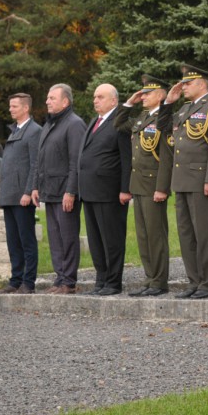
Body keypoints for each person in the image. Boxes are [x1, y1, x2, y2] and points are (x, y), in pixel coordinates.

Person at [159, 64, 208, 300]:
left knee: (203, 234)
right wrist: (168, 102)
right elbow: (162, 128)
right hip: (181, 180)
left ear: (201, 83)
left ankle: (207, 283)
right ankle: (194, 281)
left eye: (188, 83)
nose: (183, 87)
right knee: (186, 235)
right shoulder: (185, 108)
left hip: (201, 181)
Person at [116, 75, 173, 297]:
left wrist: (162, 188)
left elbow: (166, 157)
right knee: (143, 235)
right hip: (138, 184)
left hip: (153, 184)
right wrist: (129, 103)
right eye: (142, 93)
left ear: (160, 95)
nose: (143, 97)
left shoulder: (163, 119)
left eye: (147, 93)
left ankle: (159, 281)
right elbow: (119, 124)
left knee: (155, 235)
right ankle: (150, 278)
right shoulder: (142, 118)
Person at [32, 83, 87, 294]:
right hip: (50, 191)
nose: (47, 101)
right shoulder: (49, 124)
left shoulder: (74, 124)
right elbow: (39, 160)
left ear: (65, 102)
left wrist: (71, 191)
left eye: (52, 98)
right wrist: (35, 186)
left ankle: (69, 281)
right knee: (55, 238)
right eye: (47, 97)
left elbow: (76, 162)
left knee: (68, 237)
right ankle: (60, 278)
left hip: (65, 192)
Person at [78, 83, 132, 296]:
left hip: (109, 192)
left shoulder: (120, 122)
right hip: (90, 191)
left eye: (100, 97)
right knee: (96, 240)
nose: (95, 100)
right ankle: (101, 279)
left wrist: (125, 189)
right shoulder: (95, 121)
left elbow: (127, 158)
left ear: (114, 100)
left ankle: (113, 282)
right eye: (94, 97)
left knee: (111, 239)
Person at [0, 94, 41, 294]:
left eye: (14, 106)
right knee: (13, 241)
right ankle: (15, 280)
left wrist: (28, 191)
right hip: (9, 196)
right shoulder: (15, 131)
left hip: (22, 196)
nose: (10, 109)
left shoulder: (34, 131)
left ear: (25, 108)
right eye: (10, 106)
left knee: (26, 240)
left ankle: (28, 282)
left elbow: (35, 164)